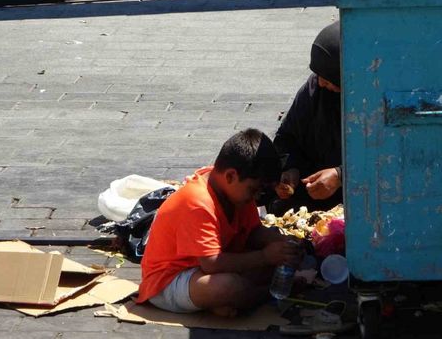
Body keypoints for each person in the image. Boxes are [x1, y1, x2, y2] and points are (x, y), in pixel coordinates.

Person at [136, 128, 303, 316]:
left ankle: (230, 301)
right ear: (230, 176)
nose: (256, 197)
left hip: (208, 268)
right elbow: (212, 264)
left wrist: (279, 243)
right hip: (170, 281)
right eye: (253, 190)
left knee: (275, 265)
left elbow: (252, 232)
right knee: (229, 287)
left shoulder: (237, 193)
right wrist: (265, 256)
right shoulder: (197, 201)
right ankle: (258, 295)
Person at [271, 20, 343, 214]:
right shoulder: (314, 90)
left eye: (328, 80)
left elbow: (387, 158)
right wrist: (291, 168)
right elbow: (287, 137)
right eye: (318, 75)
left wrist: (341, 175)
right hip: (312, 191)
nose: (320, 83)